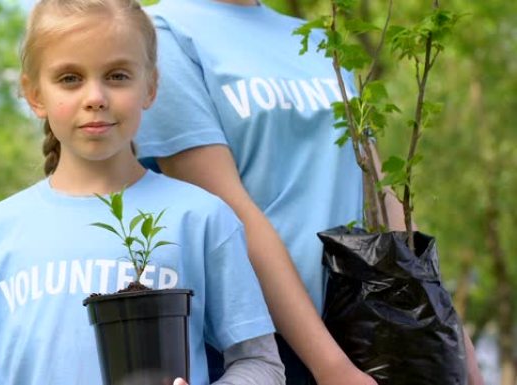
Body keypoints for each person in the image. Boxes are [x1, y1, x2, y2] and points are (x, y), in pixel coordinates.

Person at [0, 1, 286, 384]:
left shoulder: (202, 217)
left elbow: (261, 362)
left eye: (117, 76)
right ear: (35, 94)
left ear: (151, 86)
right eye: (70, 78)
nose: (95, 98)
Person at [135, 1, 483, 385]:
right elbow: (228, 213)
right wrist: (330, 367)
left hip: (370, 333)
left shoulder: (319, 40)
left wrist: (452, 332)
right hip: (258, 349)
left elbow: (382, 197)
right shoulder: (160, 34)